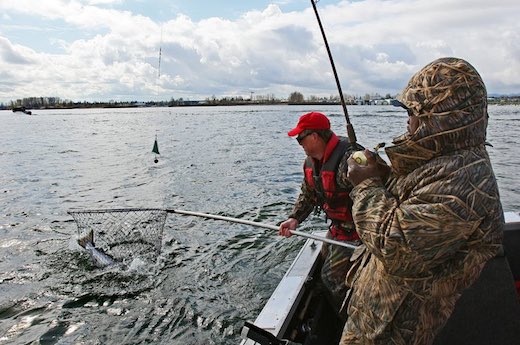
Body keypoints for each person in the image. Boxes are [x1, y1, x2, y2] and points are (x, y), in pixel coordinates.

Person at [340, 57, 504, 345]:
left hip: (394, 330)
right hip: (376, 315)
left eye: (415, 111)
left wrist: (366, 185)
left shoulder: (466, 180)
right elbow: (412, 205)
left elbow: (396, 247)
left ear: (442, 117)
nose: (408, 119)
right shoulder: (444, 160)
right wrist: (384, 175)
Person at [279, 111, 364, 318]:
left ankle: (352, 320)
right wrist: (294, 218)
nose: (298, 142)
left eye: (301, 138)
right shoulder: (310, 163)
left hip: (358, 233)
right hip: (336, 229)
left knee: (331, 278)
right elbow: (308, 195)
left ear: (315, 137)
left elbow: (374, 198)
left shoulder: (350, 159)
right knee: (323, 269)